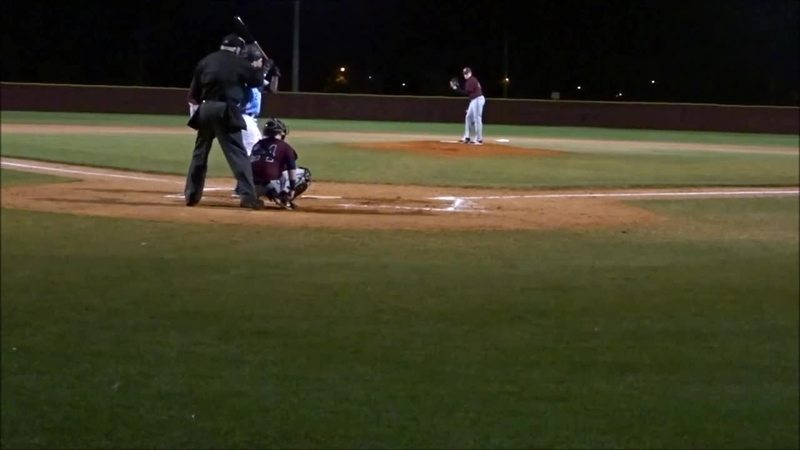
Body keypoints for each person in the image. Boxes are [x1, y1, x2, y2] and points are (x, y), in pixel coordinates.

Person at [184, 33, 265, 210]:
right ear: (237, 49)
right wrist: (262, 68)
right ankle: (248, 197)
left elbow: (194, 94)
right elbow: (256, 81)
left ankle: (191, 195)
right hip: (227, 110)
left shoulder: (206, 61)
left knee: (200, 154)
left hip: (206, 109)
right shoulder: (239, 62)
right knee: (238, 154)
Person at [250, 118, 312, 210]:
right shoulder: (285, 147)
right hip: (271, 186)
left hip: (251, 187)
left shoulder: (257, 145)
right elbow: (291, 168)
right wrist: (292, 188)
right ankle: (284, 198)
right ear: (280, 132)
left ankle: (249, 198)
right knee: (305, 174)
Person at [450, 67, 486, 145]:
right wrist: (457, 88)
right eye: (464, 73)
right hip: (474, 100)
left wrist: (456, 88)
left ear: (470, 73)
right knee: (468, 117)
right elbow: (468, 93)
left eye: (467, 73)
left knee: (477, 118)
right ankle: (467, 137)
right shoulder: (469, 81)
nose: (465, 75)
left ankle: (479, 139)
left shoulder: (472, 80)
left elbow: (466, 92)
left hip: (478, 99)